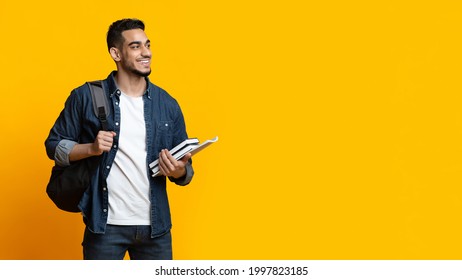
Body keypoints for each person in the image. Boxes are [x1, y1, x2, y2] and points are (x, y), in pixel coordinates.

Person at [45, 18, 194, 260]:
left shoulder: (167, 104)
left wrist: (177, 170)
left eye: (147, 45)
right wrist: (90, 148)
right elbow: (54, 146)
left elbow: (186, 172)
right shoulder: (86, 96)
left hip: (156, 229)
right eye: (135, 46)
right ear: (116, 53)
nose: (146, 52)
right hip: (105, 226)